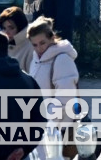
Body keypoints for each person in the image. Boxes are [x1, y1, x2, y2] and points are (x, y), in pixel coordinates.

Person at [0, 32, 45, 160]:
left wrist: (5, 151)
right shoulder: (28, 80)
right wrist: (23, 149)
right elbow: (39, 120)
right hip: (21, 155)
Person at [27, 16, 79, 148]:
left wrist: (47, 123)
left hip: (57, 129)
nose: (39, 48)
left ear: (52, 37)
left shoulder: (62, 59)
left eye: (42, 43)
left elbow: (65, 96)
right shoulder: (36, 59)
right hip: (41, 127)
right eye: (34, 45)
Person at [0, 7, 34, 72]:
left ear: (20, 27)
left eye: (11, 28)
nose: (7, 32)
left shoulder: (31, 46)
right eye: (4, 28)